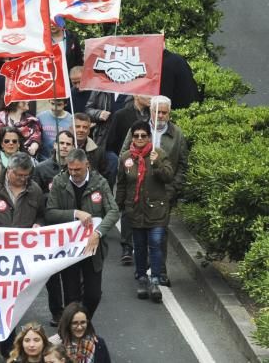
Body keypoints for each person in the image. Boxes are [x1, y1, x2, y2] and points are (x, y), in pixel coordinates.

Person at [117, 95, 188, 286]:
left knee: (159, 237)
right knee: (140, 238)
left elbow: (182, 164)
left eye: (165, 112)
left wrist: (173, 188)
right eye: (158, 112)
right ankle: (141, 270)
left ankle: (160, 272)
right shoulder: (140, 130)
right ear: (151, 111)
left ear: (169, 113)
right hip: (138, 195)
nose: (161, 116)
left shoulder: (177, 134)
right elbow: (124, 156)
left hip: (163, 194)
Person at [45, 148, 119, 318]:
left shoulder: (99, 183)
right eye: (70, 169)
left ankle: (82, 320)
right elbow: (50, 212)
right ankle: (74, 329)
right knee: (72, 297)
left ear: (87, 165)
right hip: (69, 248)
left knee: (93, 295)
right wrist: (75, 213)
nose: (73, 173)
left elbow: (113, 212)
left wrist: (97, 233)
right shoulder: (59, 182)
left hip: (93, 249)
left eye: (77, 169)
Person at [115, 121, 174, 303]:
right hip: (135, 211)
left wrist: (156, 164)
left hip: (156, 211)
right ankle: (142, 277)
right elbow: (122, 184)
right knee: (139, 247)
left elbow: (168, 176)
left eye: (143, 135)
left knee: (155, 243)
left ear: (149, 137)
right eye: (136, 136)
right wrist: (118, 206)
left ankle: (155, 280)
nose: (140, 139)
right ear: (132, 138)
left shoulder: (159, 154)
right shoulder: (126, 158)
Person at [33, 130, 76, 325]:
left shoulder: (77, 169)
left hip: (71, 230)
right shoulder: (42, 169)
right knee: (52, 275)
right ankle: (56, 312)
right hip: (50, 229)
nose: (65, 146)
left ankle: (70, 309)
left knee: (70, 274)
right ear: (55, 145)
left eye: (69, 143)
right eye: (62, 143)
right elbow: (35, 196)